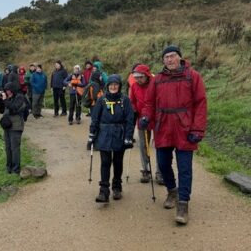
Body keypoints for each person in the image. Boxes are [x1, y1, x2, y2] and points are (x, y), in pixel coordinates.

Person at [140, 45, 207, 225]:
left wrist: (197, 129)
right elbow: (149, 103)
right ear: (163, 60)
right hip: (163, 128)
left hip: (185, 129)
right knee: (162, 164)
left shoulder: (193, 77)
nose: (169, 60)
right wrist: (146, 116)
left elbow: (201, 104)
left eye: (173, 56)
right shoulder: (158, 79)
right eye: (166, 57)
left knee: (184, 168)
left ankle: (183, 204)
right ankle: (172, 191)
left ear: (180, 58)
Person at [88, 74, 135, 203]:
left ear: (119, 86)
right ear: (108, 86)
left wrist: (128, 137)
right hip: (104, 134)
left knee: (118, 162)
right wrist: (92, 135)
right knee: (105, 162)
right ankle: (103, 191)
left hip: (119, 133)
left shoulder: (125, 100)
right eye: (111, 84)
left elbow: (130, 120)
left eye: (116, 84)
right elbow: (95, 118)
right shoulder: (101, 100)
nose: (113, 87)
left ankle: (117, 187)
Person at [129, 64, 163, 184]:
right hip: (141, 119)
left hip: (157, 118)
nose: (138, 79)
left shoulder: (156, 84)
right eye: (136, 77)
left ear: (147, 75)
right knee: (144, 146)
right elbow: (132, 101)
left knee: (160, 145)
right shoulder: (134, 86)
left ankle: (160, 172)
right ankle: (145, 170)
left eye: (140, 77)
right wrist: (133, 109)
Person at [0, 82, 26, 174]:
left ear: (13, 90)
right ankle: (8, 167)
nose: (7, 92)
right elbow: (1, 110)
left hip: (16, 126)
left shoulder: (20, 97)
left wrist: (6, 100)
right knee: (8, 148)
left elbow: (14, 108)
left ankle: (16, 169)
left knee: (15, 148)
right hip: (7, 126)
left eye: (9, 90)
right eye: (6, 91)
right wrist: (1, 100)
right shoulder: (7, 97)